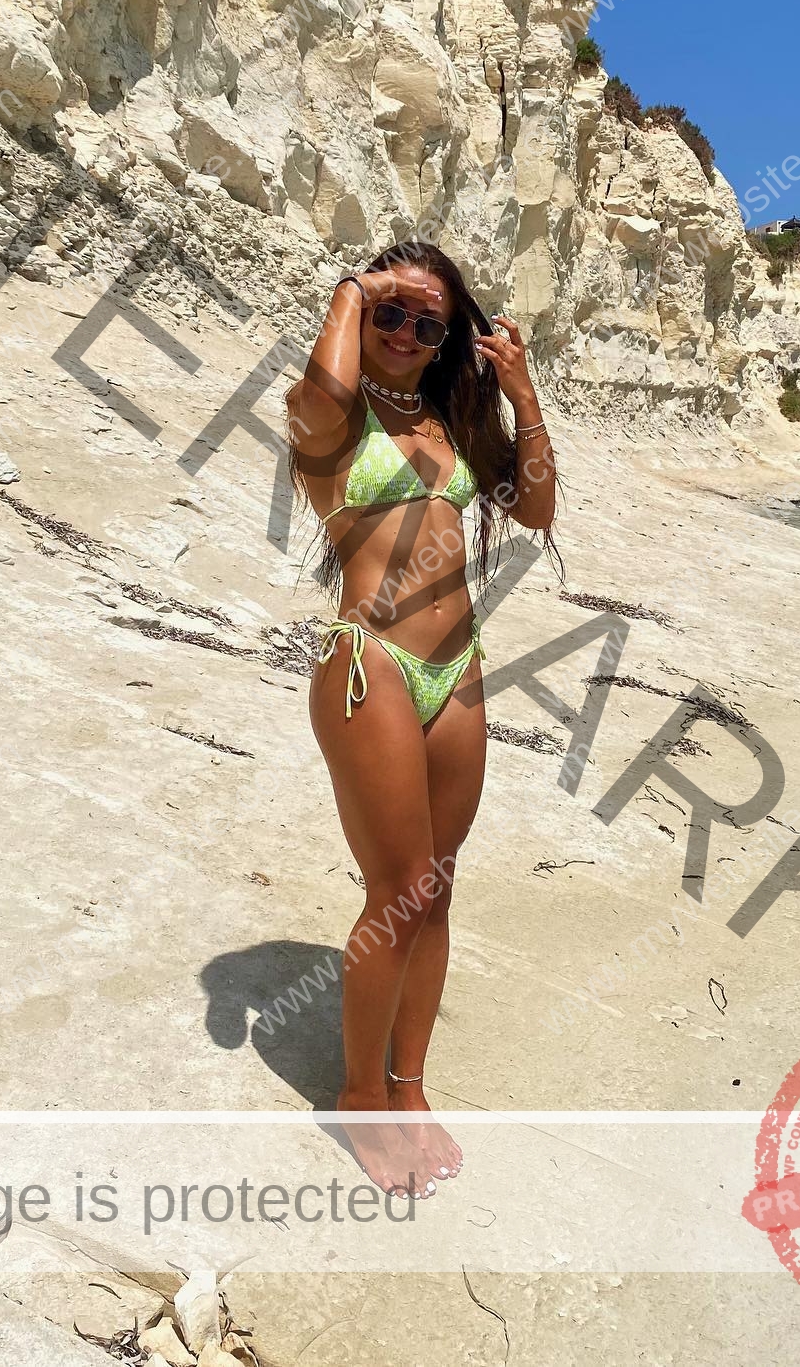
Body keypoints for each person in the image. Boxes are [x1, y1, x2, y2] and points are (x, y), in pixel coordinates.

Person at [285, 240, 560, 1200]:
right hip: (371, 665)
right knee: (397, 887)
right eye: (390, 314)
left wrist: (521, 392)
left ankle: (407, 1081)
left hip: (458, 669)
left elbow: (535, 509)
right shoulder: (329, 413)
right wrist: (354, 289)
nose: (405, 331)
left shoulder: (449, 418)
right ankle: (360, 1094)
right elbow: (325, 388)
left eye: (426, 320)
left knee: (436, 890)